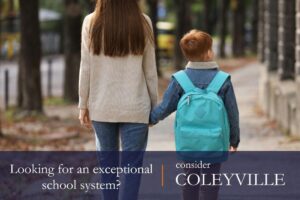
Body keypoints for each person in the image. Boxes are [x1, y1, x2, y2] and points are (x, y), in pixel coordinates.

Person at [78, 0, 158, 200]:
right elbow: (150, 71)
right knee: (132, 168)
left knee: (107, 165)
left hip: (102, 105)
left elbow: (85, 68)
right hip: (136, 106)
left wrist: (83, 104)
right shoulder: (144, 23)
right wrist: (154, 106)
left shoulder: (91, 22)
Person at [150, 30, 240, 200]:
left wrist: (151, 119)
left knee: (190, 181)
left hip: (189, 141)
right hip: (214, 141)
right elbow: (232, 113)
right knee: (211, 183)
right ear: (208, 53)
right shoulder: (222, 79)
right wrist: (234, 140)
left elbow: (166, 106)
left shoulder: (180, 79)